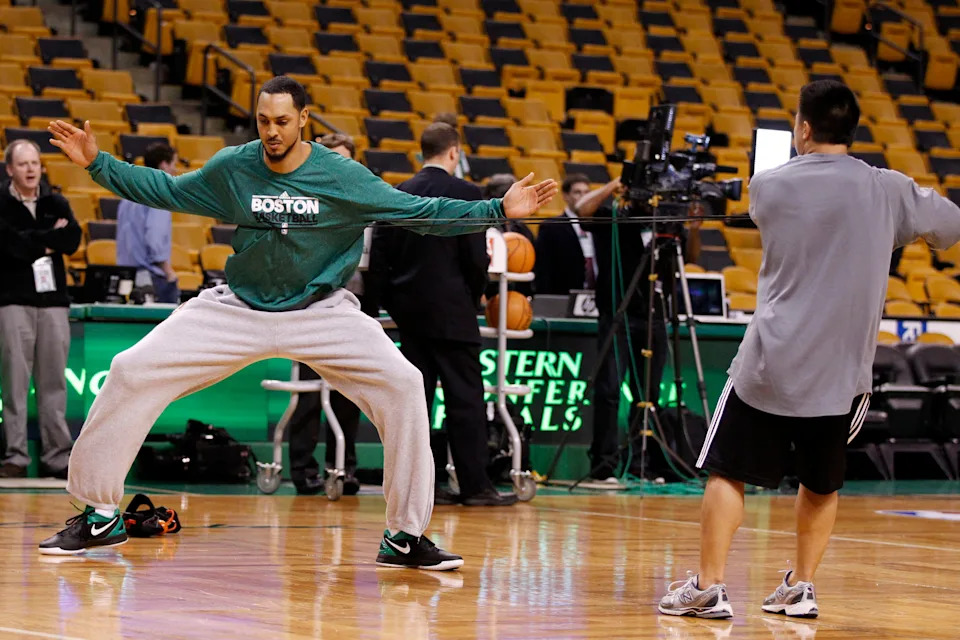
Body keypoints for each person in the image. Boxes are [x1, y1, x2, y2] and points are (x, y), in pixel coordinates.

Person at [40, 76, 556, 566]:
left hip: (320, 311)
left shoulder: (341, 176)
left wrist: (495, 209)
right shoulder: (234, 168)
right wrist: (98, 164)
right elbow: (168, 191)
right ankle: (100, 513)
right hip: (239, 307)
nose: (271, 131)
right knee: (131, 370)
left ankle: (404, 536)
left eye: (282, 121)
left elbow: (417, 210)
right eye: (263, 120)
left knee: (404, 384)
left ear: (303, 119)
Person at [658, 80, 960, 618]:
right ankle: (800, 587)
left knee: (728, 471)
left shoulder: (768, 185)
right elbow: (950, 227)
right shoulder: (889, 189)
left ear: (803, 127)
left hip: (770, 362)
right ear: (853, 129)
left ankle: (707, 587)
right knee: (821, 482)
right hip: (843, 372)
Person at [373, 123, 517, 507]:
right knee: (465, 402)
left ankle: (422, 488)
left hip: (409, 316)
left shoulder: (399, 193)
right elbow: (475, 258)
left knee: (415, 405)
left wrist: (391, 303)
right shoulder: (467, 193)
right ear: (454, 152)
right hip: (454, 312)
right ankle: (475, 486)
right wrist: (472, 297)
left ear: (422, 152)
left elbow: (381, 259)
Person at [575, 177, 700, 483]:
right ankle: (603, 466)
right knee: (608, 391)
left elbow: (692, 256)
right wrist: (613, 185)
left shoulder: (667, 221)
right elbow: (582, 209)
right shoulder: (612, 216)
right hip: (618, 313)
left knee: (648, 396)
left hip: (655, 316)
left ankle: (639, 464)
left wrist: (694, 227)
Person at [287, 132, 367, 496]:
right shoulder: (300, 201)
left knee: (348, 395)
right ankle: (303, 470)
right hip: (307, 308)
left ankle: (345, 467)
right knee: (307, 394)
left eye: (347, 159)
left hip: (352, 310)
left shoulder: (365, 200)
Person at [0, 139, 82, 479]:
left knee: (53, 384)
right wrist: (47, 238)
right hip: (13, 302)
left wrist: (33, 238)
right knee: (15, 383)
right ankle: (15, 456)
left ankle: (57, 456)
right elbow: (9, 245)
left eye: (35, 163)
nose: (31, 169)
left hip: (53, 305)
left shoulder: (55, 201)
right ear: (10, 170)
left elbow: (73, 239)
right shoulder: (1, 203)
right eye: (23, 164)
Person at [115, 142, 180, 303]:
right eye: (174, 164)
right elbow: (154, 239)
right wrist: (169, 272)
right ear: (164, 165)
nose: (175, 170)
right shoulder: (158, 196)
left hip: (126, 276)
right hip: (151, 280)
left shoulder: (127, 196)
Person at [533, 174, 595, 295]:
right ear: (565, 196)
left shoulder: (599, 225)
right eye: (577, 192)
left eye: (587, 192)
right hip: (564, 295)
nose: (583, 197)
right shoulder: (550, 227)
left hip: (598, 297)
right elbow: (543, 270)